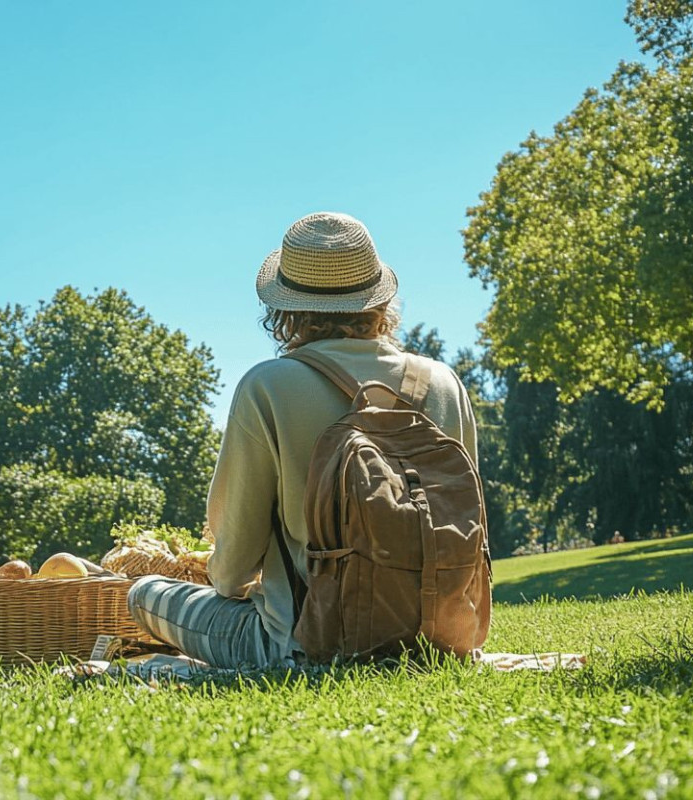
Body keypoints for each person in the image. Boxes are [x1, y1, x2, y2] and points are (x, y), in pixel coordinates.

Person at [127, 212, 479, 669]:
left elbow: (231, 573)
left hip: (305, 643)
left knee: (145, 594)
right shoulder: (443, 382)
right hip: (440, 638)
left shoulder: (268, 386)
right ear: (377, 300)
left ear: (287, 309)